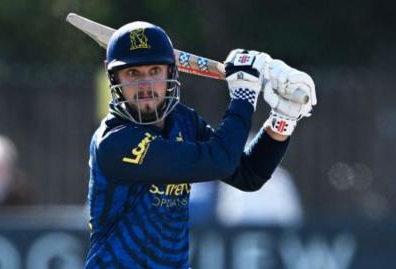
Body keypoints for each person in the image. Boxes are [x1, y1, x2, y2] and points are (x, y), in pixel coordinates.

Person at [85, 21, 316, 268]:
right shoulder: (115, 142)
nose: (146, 85)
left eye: (154, 71)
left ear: (170, 73)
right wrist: (244, 94)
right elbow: (219, 161)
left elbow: (248, 175)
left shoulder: (183, 121)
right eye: (133, 73)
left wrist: (283, 119)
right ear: (113, 77)